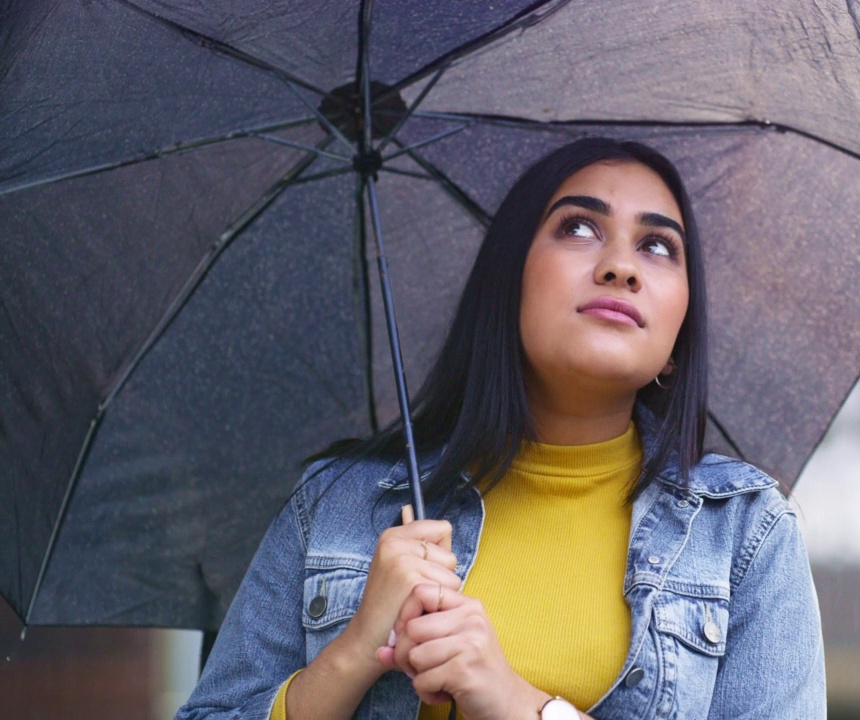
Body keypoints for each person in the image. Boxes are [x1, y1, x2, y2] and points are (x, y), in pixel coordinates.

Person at [177, 138, 825, 720]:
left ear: (680, 334)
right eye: (578, 228)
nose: (621, 267)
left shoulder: (746, 534)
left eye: (657, 246)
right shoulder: (342, 505)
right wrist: (351, 654)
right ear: (507, 282)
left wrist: (517, 702)